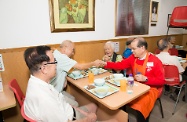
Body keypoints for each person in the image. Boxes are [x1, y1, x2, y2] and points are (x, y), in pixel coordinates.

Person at [23, 45, 116, 122]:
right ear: (44, 68)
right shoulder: (44, 99)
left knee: (94, 106)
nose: (56, 65)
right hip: (70, 118)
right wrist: (87, 119)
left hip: (69, 112)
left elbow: (62, 103)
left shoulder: (37, 83)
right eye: (54, 61)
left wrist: (84, 114)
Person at [99, 37, 165, 122]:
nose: (131, 51)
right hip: (135, 85)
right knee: (120, 97)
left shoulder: (155, 61)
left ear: (142, 48)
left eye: (134, 49)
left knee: (142, 105)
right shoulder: (133, 57)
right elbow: (120, 65)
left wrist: (146, 79)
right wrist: (105, 63)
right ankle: (124, 119)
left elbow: (162, 81)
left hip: (150, 89)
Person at [50, 40, 101, 107]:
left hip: (52, 90)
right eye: (72, 50)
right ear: (65, 48)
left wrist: (64, 78)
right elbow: (80, 66)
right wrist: (93, 63)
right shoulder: (62, 57)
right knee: (76, 104)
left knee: (73, 98)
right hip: (53, 94)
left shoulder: (56, 53)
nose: (73, 53)